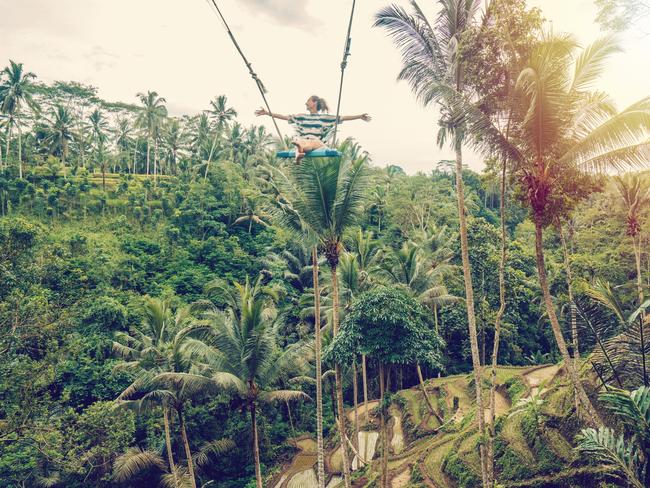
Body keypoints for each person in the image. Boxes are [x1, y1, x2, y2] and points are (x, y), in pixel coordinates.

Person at [255, 95, 371, 163]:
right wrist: (267, 113)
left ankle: (299, 153)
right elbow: (284, 117)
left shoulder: (324, 118)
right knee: (301, 143)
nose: (306, 103)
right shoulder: (301, 116)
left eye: (308, 101)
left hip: (317, 142)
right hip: (304, 139)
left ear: (314, 103)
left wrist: (359, 116)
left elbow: (343, 118)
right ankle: (299, 152)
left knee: (307, 144)